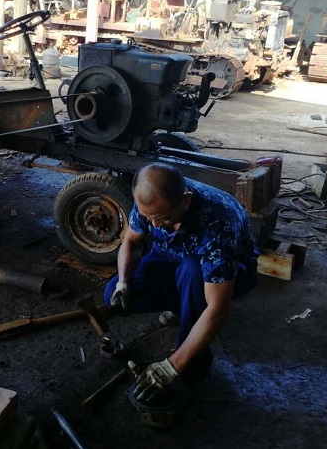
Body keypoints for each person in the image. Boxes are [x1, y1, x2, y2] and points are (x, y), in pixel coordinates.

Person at [104, 163, 258, 403]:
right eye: (148, 217)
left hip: (228, 272)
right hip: (171, 254)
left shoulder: (219, 225)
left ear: (185, 201)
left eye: (162, 218)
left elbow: (217, 309)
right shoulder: (151, 201)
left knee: (192, 271)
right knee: (112, 295)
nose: (154, 225)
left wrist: (172, 367)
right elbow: (132, 242)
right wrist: (123, 282)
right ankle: (184, 306)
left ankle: (192, 365)